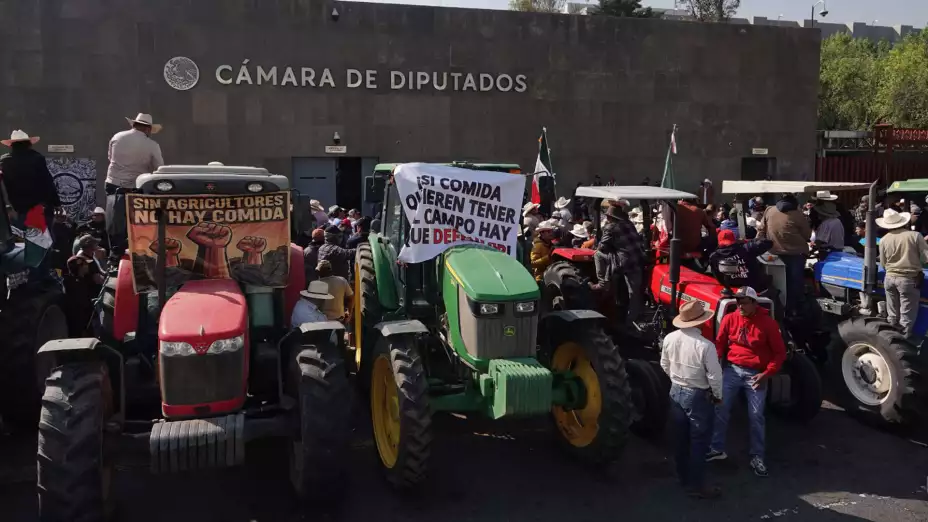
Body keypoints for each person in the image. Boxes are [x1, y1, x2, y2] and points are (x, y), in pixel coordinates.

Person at [707, 287, 785, 478]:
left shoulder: (768, 324)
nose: (740, 306)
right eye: (738, 302)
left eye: (744, 302)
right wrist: (715, 364)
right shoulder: (730, 318)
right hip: (732, 370)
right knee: (721, 408)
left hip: (756, 374)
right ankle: (716, 448)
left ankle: (757, 456)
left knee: (756, 415)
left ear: (754, 303)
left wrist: (767, 373)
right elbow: (720, 343)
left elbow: (779, 353)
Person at [661, 301, 723, 499]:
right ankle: (696, 485)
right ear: (701, 322)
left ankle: (683, 477)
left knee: (680, 439)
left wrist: (676, 379)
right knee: (699, 441)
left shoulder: (670, 338)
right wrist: (718, 396)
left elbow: (664, 364)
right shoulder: (706, 346)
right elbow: (715, 376)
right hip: (698, 394)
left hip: (676, 390)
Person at [105, 113, 164, 256]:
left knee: (114, 219)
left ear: (133, 125)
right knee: (138, 220)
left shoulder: (117, 137)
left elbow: (110, 157)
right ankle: (138, 249)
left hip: (114, 183)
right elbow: (159, 168)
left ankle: (115, 253)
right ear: (148, 129)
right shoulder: (152, 145)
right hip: (136, 187)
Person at [876, 208, 928, 339]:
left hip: (889, 278)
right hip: (908, 279)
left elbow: (883, 263)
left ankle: (890, 338)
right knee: (906, 316)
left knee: (892, 314)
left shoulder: (883, 240)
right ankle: (903, 342)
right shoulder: (915, 236)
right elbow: (926, 258)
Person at [756, 194, 811, 316]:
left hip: (773, 252)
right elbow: (807, 235)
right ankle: (793, 311)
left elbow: (761, 230)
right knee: (795, 284)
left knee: (775, 282)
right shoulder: (798, 214)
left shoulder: (769, 210)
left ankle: (777, 308)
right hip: (795, 254)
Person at [592, 205, 645, 325]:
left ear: (610, 217)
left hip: (625, 263)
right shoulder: (629, 224)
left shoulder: (610, 227)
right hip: (639, 259)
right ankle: (635, 316)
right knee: (635, 292)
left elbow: (602, 248)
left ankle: (602, 283)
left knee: (597, 255)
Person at [0, 130, 60, 231]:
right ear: (29, 144)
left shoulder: (4, 161)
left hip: (18, 208)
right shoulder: (37, 158)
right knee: (44, 239)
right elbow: (47, 182)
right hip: (40, 207)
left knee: (22, 238)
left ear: (11, 146)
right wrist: (57, 203)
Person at [709, 230, 774, 293]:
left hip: (730, 290)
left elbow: (718, 278)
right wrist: (745, 241)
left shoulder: (714, 257)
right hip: (754, 290)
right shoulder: (747, 248)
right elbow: (768, 242)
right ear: (734, 240)